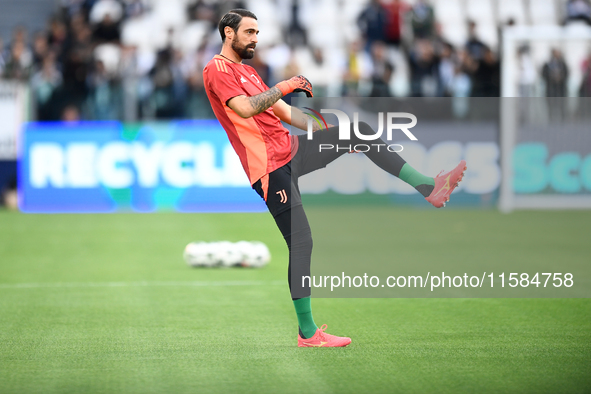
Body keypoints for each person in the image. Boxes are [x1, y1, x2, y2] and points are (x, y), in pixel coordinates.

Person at [203, 9, 467, 348]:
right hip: (268, 168)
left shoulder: (247, 71)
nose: (256, 38)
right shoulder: (217, 69)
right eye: (250, 32)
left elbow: (286, 113)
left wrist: (336, 138)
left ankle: (429, 186)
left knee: (359, 131)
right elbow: (244, 108)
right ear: (228, 33)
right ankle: (308, 333)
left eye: (257, 31)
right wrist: (285, 85)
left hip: (291, 150)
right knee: (302, 243)